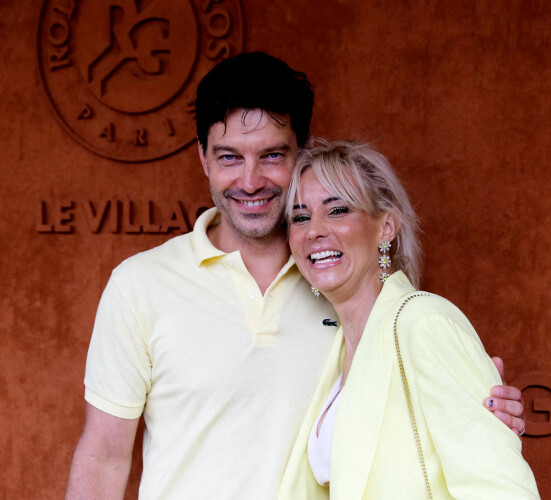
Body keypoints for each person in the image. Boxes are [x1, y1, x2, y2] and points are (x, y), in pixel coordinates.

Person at [65, 53, 526, 500]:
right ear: (203, 157)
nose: (250, 181)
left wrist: (481, 408)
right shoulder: (139, 285)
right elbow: (103, 455)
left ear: (301, 155)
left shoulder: (344, 284)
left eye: (271, 156)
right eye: (229, 158)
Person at [278, 140, 540, 499]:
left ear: (386, 226)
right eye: (301, 217)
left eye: (337, 210)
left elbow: (499, 489)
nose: (314, 231)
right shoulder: (335, 349)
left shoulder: (423, 321)